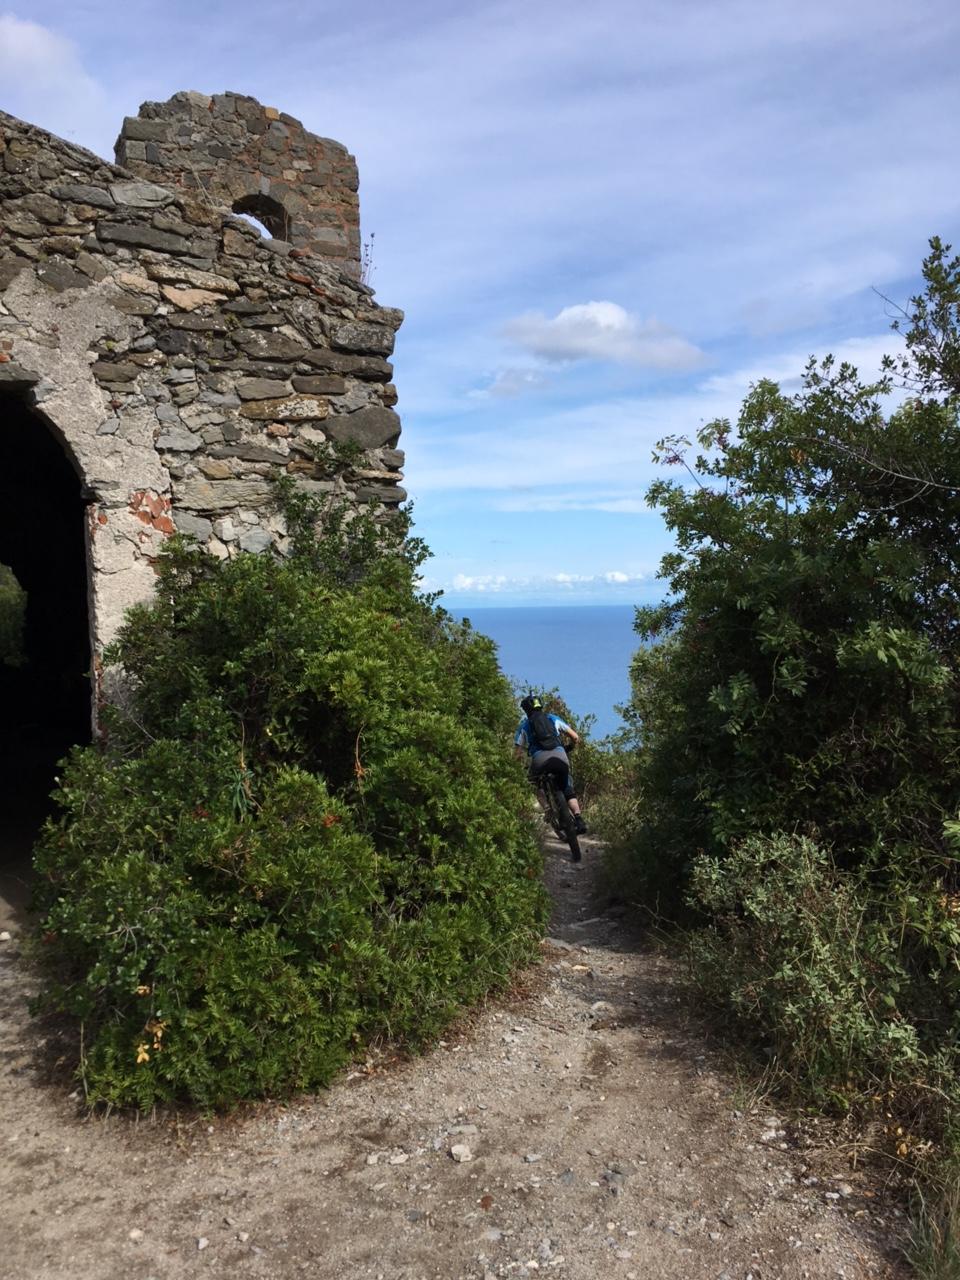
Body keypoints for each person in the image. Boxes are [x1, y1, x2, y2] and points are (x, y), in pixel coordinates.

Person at [514, 694, 588, 835]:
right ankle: (578, 818)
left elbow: (517, 754)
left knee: (533, 783)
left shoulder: (524, 726)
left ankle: (547, 809)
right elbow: (576, 737)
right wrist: (569, 747)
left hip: (539, 760)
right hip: (560, 756)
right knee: (567, 787)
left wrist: (519, 766)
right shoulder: (552, 718)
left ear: (526, 710)